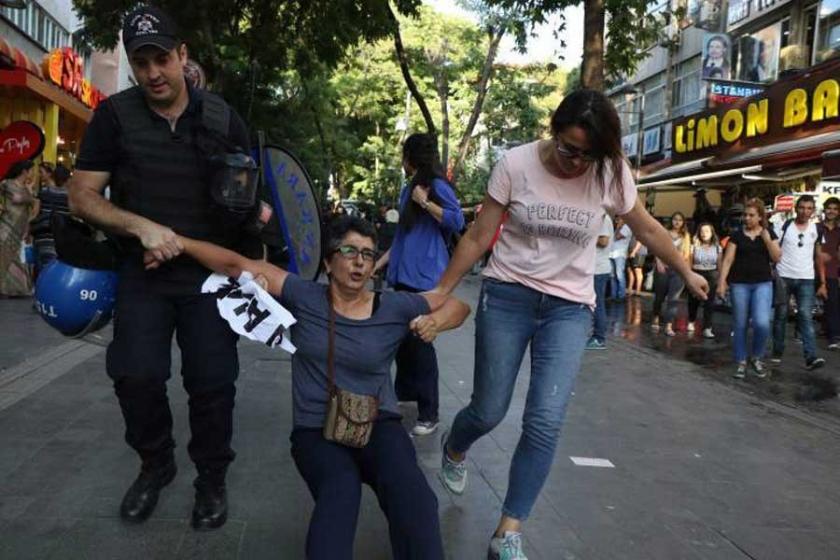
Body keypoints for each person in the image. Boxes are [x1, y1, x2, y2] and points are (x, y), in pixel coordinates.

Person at [431, 88, 708, 560]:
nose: (576, 163)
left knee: (544, 422)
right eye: (569, 149)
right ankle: (455, 447)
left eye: (588, 155)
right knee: (490, 409)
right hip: (509, 295)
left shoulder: (610, 171)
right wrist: (439, 293)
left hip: (569, 308)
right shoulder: (516, 165)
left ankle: (508, 530)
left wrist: (685, 269)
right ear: (554, 130)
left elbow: (646, 228)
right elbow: (480, 235)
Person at [156, 215, 470, 559]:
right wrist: (178, 242)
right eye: (349, 250)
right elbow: (236, 264)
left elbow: (456, 304)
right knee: (340, 491)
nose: (360, 261)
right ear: (328, 261)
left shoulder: (394, 305)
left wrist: (435, 323)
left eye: (368, 253)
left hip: (378, 423)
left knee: (414, 496)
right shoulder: (303, 295)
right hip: (316, 429)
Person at [68, 5, 259, 529]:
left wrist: (250, 229)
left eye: (161, 59)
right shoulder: (114, 116)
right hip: (143, 278)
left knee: (214, 384)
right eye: (141, 61)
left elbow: (247, 196)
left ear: (182, 56)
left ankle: (211, 480)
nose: (153, 72)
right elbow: (82, 195)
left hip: (210, 280)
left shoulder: (222, 118)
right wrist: (140, 228)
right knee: (135, 376)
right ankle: (155, 463)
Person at [374, 133, 465, 436]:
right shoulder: (408, 188)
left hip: (426, 278)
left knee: (421, 343)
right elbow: (403, 235)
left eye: (404, 154)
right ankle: (405, 396)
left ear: (411, 156)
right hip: (402, 275)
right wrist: (379, 263)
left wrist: (426, 203)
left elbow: (456, 221)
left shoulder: (435, 186)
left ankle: (429, 412)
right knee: (402, 340)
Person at [717, 199, 781, 378]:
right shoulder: (737, 235)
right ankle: (741, 360)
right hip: (739, 284)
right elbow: (728, 260)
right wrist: (722, 282)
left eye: (751, 215)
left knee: (762, 323)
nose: (747, 218)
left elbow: (777, 258)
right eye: (745, 215)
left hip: (762, 283)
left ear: (760, 217)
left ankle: (757, 356)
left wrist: (767, 240)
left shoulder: (769, 233)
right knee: (740, 323)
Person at [770, 195, 827, 370]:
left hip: (806, 278)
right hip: (784, 276)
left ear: (813, 210)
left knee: (805, 316)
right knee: (780, 315)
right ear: (796, 208)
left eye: (809, 208)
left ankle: (810, 357)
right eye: (802, 207)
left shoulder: (817, 229)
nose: (805, 211)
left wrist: (822, 281)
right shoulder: (783, 226)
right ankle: (777, 351)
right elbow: (773, 249)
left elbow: (818, 256)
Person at [1, 160, 38, 297]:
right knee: (6, 256)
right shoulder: (7, 183)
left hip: (22, 226)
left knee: (20, 257)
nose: (33, 174)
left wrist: (28, 228)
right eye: (31, 170)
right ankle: (5, 289)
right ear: (24, 171)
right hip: (7, 224)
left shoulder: (28, 187)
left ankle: (19, 289)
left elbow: (32, 208)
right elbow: (17, 198)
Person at [651, 212, 691, 337]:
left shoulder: (686, 236)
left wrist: (686, 271)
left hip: (677, 270)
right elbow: (656, 247)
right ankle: (656, 316)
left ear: (683, 222)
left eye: (680, 220)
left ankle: (668, 325)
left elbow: (687, 254)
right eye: (675, 219)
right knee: (659, 296)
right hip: (663, 268)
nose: (677, 222)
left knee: (673, 299)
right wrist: (659, 262)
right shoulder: (664, 232)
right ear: (671, 221)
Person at [687, 222, 721, 338]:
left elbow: (720, 264)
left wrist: (721, 279)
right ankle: (691, 320)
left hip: (712, 274)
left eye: (707, 231)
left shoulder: (717, 247)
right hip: (697, 272)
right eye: (702, 231)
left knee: (709, 302)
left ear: (712, 233)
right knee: (693, 300)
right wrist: (689, 275)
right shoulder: (694, 246)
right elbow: (690, 262)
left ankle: (707, 327)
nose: (704, 234)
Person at [588, 214, 614, 350]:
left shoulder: (602, 216)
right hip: (594, 267)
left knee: (597, 303)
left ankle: (599, 338)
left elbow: (604, 241)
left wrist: (584, 236)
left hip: (598, 268)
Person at [821, 197, 840, 351]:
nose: (831, 211)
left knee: (832, 303)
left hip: (833, 271)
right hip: (812, 271)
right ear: (824, 209)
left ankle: (833, 336)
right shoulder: (815, 228)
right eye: (829, 208)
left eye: (835, 208)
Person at [609, 215, 631, 300]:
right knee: (612, 276)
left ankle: (621, 295)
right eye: (616, 218)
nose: (617, 220)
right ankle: (613, 295)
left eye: (619, 218)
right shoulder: (616, 227)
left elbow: (617, 237)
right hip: (611, 254)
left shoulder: (627, 227)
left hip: (620, 254)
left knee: (619, 275)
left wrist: (618, 227)